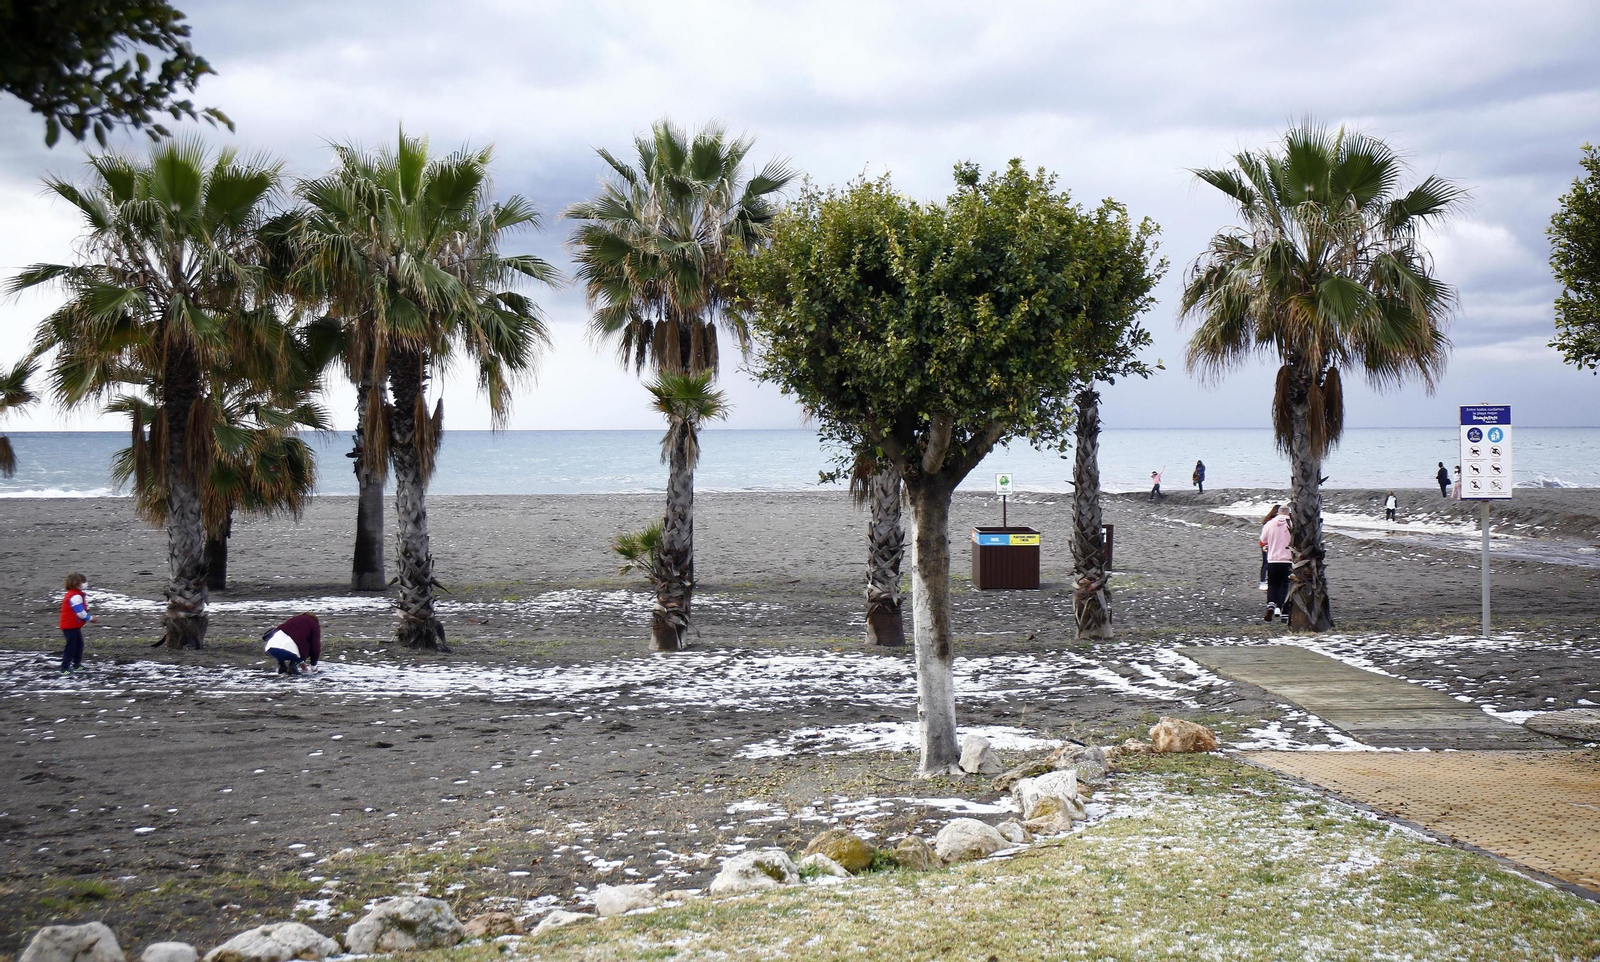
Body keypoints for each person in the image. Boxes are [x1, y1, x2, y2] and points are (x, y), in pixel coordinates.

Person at [263, 612, 322, 676]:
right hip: (290, 652)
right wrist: (313, 667)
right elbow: (315, 647)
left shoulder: (293, 619)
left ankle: (282, 665)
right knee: (308, 645)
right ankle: (293, 665)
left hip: (271, 647)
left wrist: (301, 661)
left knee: (287, 643)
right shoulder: (314, 624)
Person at [1260, 507, 1293, 622]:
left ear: (1278, 513)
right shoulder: (1292, 523)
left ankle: (1270, 605)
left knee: (1273, 583)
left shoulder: (1270, 524)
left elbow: (1263, 539)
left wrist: (1269, 544)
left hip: (1273, 559)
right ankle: (1279, 606)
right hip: (1287, 559)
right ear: (1289, 513)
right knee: (1284, 584)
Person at [58, 572, 92, 674]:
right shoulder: (75, 596)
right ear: (77, 583)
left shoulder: (75, 595)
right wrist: (90, 618)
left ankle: (76, 664)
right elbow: (80, 613)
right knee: (71, 646)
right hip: (70, 626)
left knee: (79, 644)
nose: (85, 584)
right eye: (83, 582)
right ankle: (65, 667)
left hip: (73, 625)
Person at [1258, 505, 1279, 590]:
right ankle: (1263, 582)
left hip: (1272, 544)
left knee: (1270, 563)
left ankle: (1269, 581)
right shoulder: (1270, 522)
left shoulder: (1272, 521)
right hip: (1267, 544)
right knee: (1266, 563)